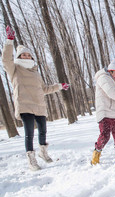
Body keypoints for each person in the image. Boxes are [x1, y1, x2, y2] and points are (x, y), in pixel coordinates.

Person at [2, 26, 69, 171]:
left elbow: (44, 89)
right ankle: (31, 160)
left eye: (28, 55)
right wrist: (9, 41)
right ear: (18, 57)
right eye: (23, 55)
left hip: (39, 105)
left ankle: (43, 153)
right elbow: (6, 59)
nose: (26, 56)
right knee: (29, 133)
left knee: (43, 130)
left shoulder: (36, 72)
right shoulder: (14, 70)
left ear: (31, 57)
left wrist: (59, 86)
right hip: (25, 105)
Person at [91, 57, 115, 166]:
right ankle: (96, 153)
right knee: (105, 135)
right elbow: (111, 92)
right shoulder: (103, 77)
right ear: (110, 70)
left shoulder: (114, 82)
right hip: (105, 112)